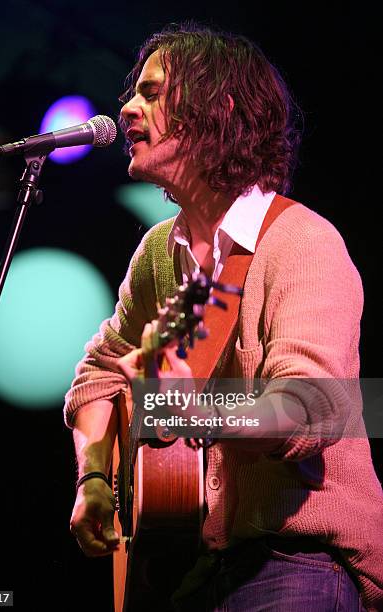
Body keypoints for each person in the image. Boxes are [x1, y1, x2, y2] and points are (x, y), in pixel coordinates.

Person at [65, 23, 383, 611]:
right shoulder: (160, 252)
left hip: (294, 561)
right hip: (180, 566)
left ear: (219, 109)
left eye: (153, 93)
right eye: (132, 94)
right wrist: (94, 479)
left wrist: (191, 406)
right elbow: (99, 375)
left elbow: (313, 410)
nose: (128, 108)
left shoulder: (302, 243)